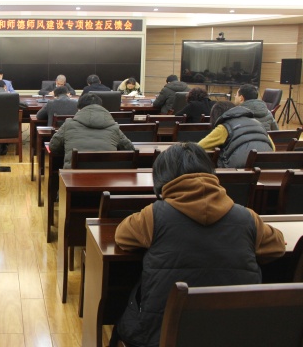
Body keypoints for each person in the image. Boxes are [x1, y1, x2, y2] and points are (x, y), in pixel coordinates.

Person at [113, 143, 285, 347]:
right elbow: (278, 246)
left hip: (160, 335)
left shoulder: (152, 216)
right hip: (235, 335)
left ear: (161, 178)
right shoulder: (248, 218)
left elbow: (121, 236)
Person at [49, 93, 134, 168]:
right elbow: (130, 149)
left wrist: (67, 149)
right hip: (106, 177)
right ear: (100, 107)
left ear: (79, 109)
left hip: (74, 176)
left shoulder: (68, 124)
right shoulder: (113, 126)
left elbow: (53, 147)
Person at [198, 101, 274, 168]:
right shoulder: (259, 124)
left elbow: (199, 148)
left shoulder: (224, 127)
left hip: (236, 172)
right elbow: (273, 148)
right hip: (266, 168)